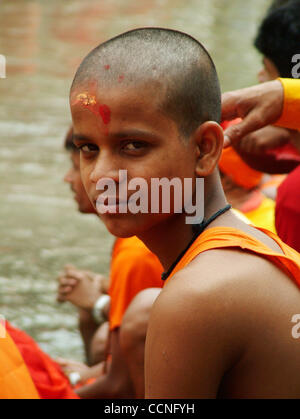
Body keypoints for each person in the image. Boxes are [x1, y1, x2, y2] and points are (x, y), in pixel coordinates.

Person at [70, 27, 300, 398]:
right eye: (88, 148)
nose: (100, 176)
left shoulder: (195, 297)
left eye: (133, 146)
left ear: (206, 149)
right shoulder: (240, 245)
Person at [58, 128, 163, 398]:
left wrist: (96, 303)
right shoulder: (136, 239)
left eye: (74, 166)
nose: (69, 178)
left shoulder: (136, 250)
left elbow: (122, 385)